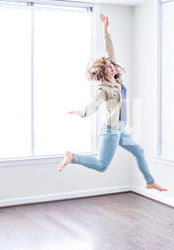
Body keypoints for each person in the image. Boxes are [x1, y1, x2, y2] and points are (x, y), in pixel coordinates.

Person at [58, 12, 167, 192]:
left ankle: (150, 181)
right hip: (110, 130)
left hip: (120, 128)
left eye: (112, 64)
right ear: (104, 72)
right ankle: (73, 157)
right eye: (109, 66)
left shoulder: (116, 79)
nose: (112, 66)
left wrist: (105, 29)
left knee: (138, 151)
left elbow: (110, 51)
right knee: (102, 165)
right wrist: (83, 112)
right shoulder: (104, 88)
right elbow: (95, 102)